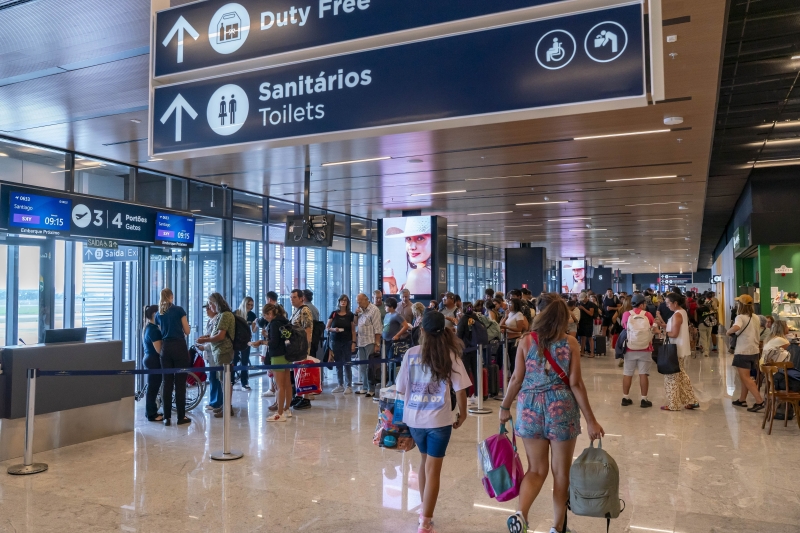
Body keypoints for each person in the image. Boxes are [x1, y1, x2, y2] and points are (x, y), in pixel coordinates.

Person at [500, 293, 604, 533]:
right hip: (561, 409)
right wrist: (591, 420)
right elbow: (576, 383)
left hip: (530, 408)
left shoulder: (526, 341)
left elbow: (516, 379)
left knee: (536, 470)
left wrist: (504, 407)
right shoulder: (570, 343)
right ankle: (557, 527)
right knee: (560, 473)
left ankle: (521, 515)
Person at [395, 311, 470, 533]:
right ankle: (425, 522)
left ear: (422, 331)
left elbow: (400, 388)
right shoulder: (450, 354)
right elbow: (461, 390)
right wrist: (463, 413)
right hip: (439, 421)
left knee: (423, 462)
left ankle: (423, 511)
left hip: (414, 420)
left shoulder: (411, 354)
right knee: (433, 470)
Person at [155, 288, 192, 426]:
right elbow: (187, 331)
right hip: (179, 347)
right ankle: (181, 417)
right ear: (172, 296)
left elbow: (161, 331)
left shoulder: (159, 314)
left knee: (167, 383)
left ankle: (166, 417)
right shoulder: (179, 310)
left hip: (166, 349)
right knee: (180, 383)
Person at [196, 293, 236, 418]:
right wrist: (206, 337)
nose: (209, 307)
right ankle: (225, 406)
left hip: (224, 351)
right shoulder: (221, 315)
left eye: (210, 304)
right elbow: (216, 333)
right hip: (219, 351)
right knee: (222, 380)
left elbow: (221, 336)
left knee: (225, 381)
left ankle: (227, 407)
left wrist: (205, 340)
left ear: (215, 303)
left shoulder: (225, 315)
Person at [661, 293, 700, 411]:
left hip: (675, 350)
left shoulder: (677, 314)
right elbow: (674, 328)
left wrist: (660, 332)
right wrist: (663, 325)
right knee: (681, 375)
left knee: (672, 377)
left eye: (668, 303)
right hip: (679, 349)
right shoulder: (681, 312)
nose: (667, 305)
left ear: (675, 303)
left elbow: (674, 334)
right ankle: (691, 400)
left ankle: (674, 404)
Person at [255, 303, 293, 422]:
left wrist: (261, 342)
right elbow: (280, 338)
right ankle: (287, 409)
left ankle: (279, 413)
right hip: (287, 354)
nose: (265, 318)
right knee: (287, 384)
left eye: (265, 315)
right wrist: (268, 335)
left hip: (277, 356)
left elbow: (274, 343)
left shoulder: (274, 323)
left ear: (270, 314)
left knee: (279, 386)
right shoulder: (284, 321)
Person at [728, 295, 765, 412]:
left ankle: (759, 401)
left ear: (740, 305)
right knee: (745, 376)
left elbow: (736, 327)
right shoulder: (755, 317)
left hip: (743, 351)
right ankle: (742, 399)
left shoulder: (740, 317)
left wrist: (728, 331)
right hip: (754, 350)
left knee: (746, 377)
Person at [383, 217, 433, 295]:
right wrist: (392, 283)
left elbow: (410, 303)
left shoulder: (417, 275)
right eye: (408, 238)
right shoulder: (427, 273)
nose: (412, 247)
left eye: (420, 238)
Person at [621, 294, 655, 408]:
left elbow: (624, 327)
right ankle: (644, 399)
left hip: (630, 348)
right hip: (645, 348)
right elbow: (653, 327)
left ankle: (625, 398)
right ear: (642, 304)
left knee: (627, 373)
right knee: (643, 374)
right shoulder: (648, 315)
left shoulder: (626, 314)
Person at [326, 294, 357, 394]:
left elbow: (353, 330)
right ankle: (340, 384)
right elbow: (327, 327)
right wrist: (333, 329)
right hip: (335, 341)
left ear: (347, 303)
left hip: (347, 341)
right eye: (341, 300)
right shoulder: (334, 313)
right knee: (338, 364)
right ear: (339, 302)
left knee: (347, 363)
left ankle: (349, 385)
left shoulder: (350, 315)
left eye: (345, 301)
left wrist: (353, 343)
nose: (343, 302)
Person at [289, 289, 314, 410]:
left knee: (304, 372)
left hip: (302, 347)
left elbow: (307, 330)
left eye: (294, 297)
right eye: (291, 297)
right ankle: (299, 395)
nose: (292, 299)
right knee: (298, 373)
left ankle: (306, 398)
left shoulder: (305, 311)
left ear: (301, 298)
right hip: (295, 347)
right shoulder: (296, 310)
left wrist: (305, 348)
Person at [355, 293, 382, 398]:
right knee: (362, 366)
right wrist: (356, 314)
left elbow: (378, 328)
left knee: (370, 367)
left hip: (370, 341)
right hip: (361, 341)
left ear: (366, 299)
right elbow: (355, 324)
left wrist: (377, 344)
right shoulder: (360, 310)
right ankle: (364, 387)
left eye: (360, 302)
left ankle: (371, 389)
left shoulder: (374, 310)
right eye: (357, 302)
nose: (358, 304)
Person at [200, 303, 223, 412]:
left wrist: (204, 347)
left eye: (208, 308)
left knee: (215, 378)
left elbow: (215, 339)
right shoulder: (210, 321)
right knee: (212, 378)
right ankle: (214, 401)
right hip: (210, 355)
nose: (207, 311)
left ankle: (217, 402)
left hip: (214, 354)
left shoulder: (217, 321)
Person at [142, 305, 163, 422]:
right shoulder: (154, 330)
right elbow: (159, 349)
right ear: (155, 314)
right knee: (153, 388)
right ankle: (151, 413)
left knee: (152, 387)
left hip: (149, 359)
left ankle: (152, 410)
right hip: (153, 361)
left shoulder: (149, 327)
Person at [382, 297, 410, 384]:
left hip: (392, 342)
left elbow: (406, 326)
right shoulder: (387, 315)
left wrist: (397, 335)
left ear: (391, 306)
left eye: (386, 306)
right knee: (386, 361)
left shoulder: (397, 315)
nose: (385, 307)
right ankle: (387, 379)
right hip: (385, 341)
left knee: (392, 362)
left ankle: (392, 381)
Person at [500, 298, 529, 376]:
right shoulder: (509, 314)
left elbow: (519, 329)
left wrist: (507, 328)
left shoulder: (519, 314)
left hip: (515, 339)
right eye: (508, 304)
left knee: (514, 360)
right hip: (507, 339)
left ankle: (516, 376)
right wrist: (506, 317)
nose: (509, 306)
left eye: (511, 304)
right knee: (509, 360)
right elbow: (500, 325)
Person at [233, 296, 256, 391]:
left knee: (245, 361)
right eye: (248, 304)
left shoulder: (252, 315)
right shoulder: (235, 313)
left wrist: (256, 324)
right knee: (234, 360)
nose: (250, 307)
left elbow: (254, 330)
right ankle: (231, 380)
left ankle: (244, 382)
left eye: (252, 305)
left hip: (246, 341)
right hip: (236, 341)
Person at [576, 292, 597, 358]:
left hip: (588, 323)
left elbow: (591, 313)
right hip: (581, 322)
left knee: (590, 337)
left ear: (586, 297)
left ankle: (592, 352)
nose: (582, 301)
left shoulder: (590, 304)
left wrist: (583, 308)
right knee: (582, 337)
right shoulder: (580, 303)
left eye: (583, 299)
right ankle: (582, 351)